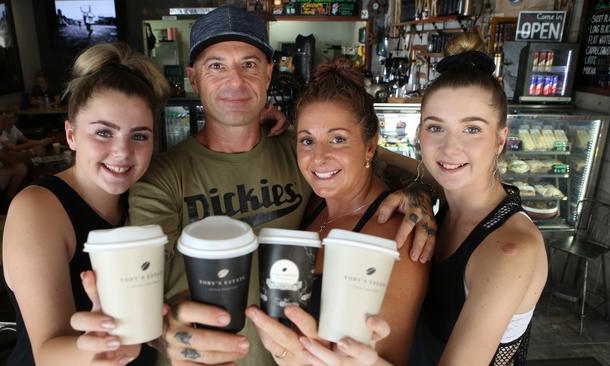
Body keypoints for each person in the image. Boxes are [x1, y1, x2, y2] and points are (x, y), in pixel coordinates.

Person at [72, 6, 437, 366]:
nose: (235, 81)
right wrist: (171, 328)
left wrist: (420, 192)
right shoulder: (161, 177)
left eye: (249, 64)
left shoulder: (298, 153)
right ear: (193, 78)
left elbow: (359, 160)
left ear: (268, 74)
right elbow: (141, 285)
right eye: (216, 66)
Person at [246, 59, 429, 366]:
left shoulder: (399, 238)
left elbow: (389, 357)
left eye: (338, 139)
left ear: (370, 147)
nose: (319, 157)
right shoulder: (315, 203)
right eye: (307, 140)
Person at [2, 42, 171, 366]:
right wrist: (104, 344)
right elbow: (47, 353)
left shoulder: (143, 200)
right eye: (103, 133)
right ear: (71, 135)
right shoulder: (38, 208)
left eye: (139, 136)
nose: (122, 152)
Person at [409, 51, 548, 365]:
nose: (449, 147)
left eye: (471, 129)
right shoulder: (450, 200)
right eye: (435, 128)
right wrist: (415, 187)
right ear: (419, 135)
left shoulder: (510, 249)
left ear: (500, 140)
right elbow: (404, 165)